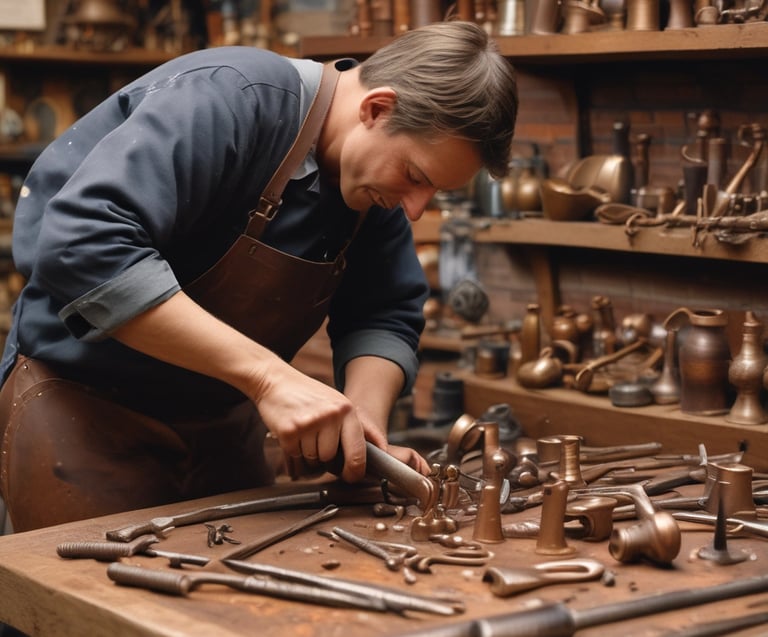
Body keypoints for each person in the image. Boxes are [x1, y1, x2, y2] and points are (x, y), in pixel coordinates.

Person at [0, 19, 518, 532]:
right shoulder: (231, 98)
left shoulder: (373, 188)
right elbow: (84, 246)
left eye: (435, 193)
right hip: (83, 413)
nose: (414, 210)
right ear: (376, 109)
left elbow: (384, 312)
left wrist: (361, 425)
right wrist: (269, 378)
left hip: (221, 425)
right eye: (416, 177)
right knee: (78, 606)